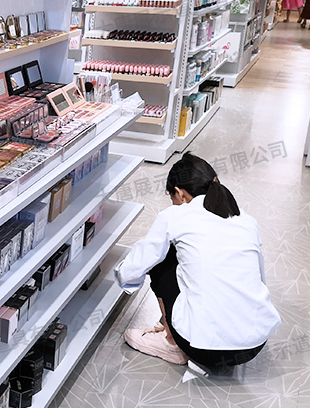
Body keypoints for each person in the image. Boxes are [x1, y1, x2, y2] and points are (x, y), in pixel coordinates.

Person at [116, 152, 280, 370]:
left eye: (172, 198)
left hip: (203, 349)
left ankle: (171, 343)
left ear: (180, 193)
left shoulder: (174, 216)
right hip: (253, 345)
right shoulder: (246, 219)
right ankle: (176, 326)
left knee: (162, 260)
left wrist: (119, 274)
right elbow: (259, 277)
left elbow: (138, 264)